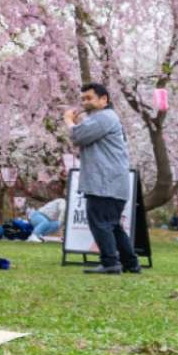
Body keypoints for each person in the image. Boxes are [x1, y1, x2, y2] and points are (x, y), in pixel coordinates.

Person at [65, 83, 140, 275]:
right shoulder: (105, 118)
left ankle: (110, 263)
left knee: (100, 223)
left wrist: (69, 121)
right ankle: (130, 263)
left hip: (104, 182)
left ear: (104, 99)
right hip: (113, 182)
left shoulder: (104, 117)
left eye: (89, 98)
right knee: (112, 225)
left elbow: (78, 136)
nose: (85, 102)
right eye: (83, 99)